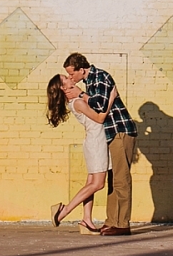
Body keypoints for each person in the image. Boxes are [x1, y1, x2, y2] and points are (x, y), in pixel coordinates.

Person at [62, 52, 137, 236]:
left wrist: (80, 94)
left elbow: (101, 105)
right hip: (111, 133)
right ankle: (112, 221)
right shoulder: (90, 82)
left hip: (121, 130)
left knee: (121, 179)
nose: (72, 78)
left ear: (82, 69)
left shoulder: (100, 76)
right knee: (113, 179)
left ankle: (122, 223)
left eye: (72, 74)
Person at [46, 74, 117, 232]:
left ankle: (86, 220)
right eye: (67, 78)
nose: (71, 78)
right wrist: (111, 98)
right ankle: (63, 212)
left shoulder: (77, 100)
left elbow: (93, 103)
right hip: (96, 143)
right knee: (98, 184)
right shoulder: (77, 102)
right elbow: (99, 118)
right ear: (64, 88)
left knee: (90, 184)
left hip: (93, 142)